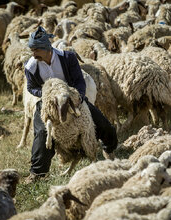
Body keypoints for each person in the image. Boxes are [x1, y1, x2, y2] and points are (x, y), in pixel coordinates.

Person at [24, 26, 118, 183]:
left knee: (102, 124)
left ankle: (109, 150)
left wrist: (78, 98)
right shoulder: (31, 66)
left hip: (73, 98)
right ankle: (37, 173)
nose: (33, 54)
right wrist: (46, 95)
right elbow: (31, 87)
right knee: (42, 133)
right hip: (48, 103)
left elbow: (79, 81)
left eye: (36, 50)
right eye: (32, 50)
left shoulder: (67, 58)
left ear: (46, 48)